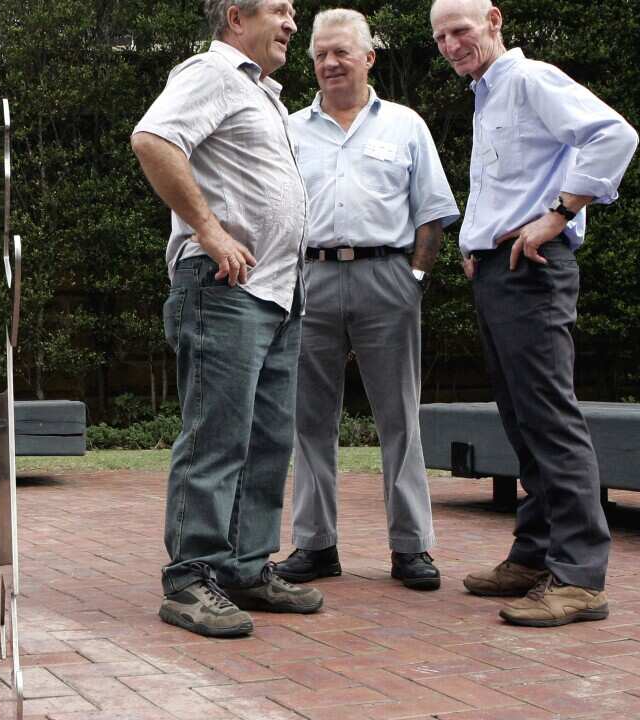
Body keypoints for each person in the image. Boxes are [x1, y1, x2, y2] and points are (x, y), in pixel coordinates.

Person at [431, 0, 638, 626]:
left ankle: (579, 578)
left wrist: (560, 212)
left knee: (549, 418)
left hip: (534, 274)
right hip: (501, 271)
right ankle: (536, 552)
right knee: (521, 420)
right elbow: (503, 184)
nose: (450, 44)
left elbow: (614, 134)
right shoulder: (488, 95)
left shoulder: (529, 79)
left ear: (494, 19)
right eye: (440, 36)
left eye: (460, 30)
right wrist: (475, 243)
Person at [131, 0, 321, 639]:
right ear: (237, 18)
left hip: (275, 292)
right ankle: (190, 579)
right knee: (216, 436)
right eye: (281, 10)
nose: (294, 22)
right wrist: (209, 232)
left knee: (267, 440)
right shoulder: (211, 73)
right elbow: (153, 139)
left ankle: (243, 567)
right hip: (224, 288)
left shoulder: (261, 93)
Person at [274, 9, 459, 592]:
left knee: (399, 417)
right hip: (311, 279)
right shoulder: (289, 127)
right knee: (309, 419)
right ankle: (315, 543)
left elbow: (432, 211)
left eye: (341, 53)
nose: (329, 63)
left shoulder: (405, 125)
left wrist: (415, 278)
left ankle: (411, 547)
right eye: (320, 54)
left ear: (368, 57)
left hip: (388, 279)